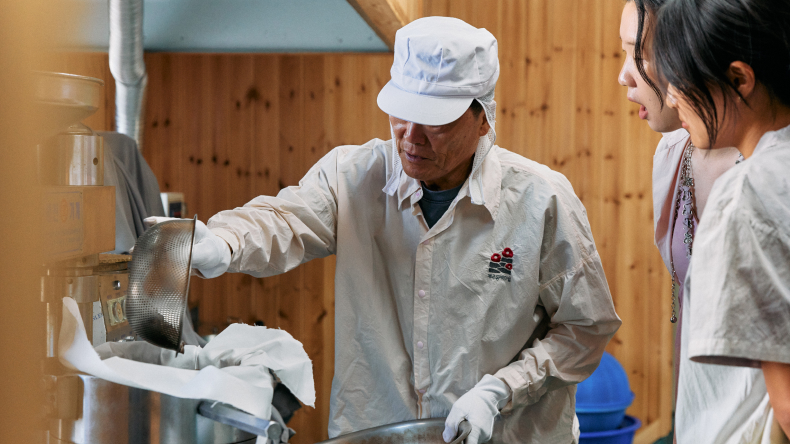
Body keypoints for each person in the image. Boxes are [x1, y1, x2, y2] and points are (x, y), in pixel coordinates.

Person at [148, 16, 620, 444]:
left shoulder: (540, 200)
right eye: (401, 112)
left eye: (434, 122)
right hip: (376, 431)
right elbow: (285, 219)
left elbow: (586, 329)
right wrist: (224, 242)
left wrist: (501, 391)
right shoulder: (353, 176)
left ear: (483, 119)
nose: (410, 136)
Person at [652, 0, 790, 439]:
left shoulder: (749, 190)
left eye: (679, 79)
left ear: (738, 79)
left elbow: (787, 403)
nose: (670, 97)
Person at [618, 2, 755, 442]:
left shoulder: (768, 170)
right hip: (699, 418)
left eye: (639, 54)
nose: (624, 75)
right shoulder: (674, 152)